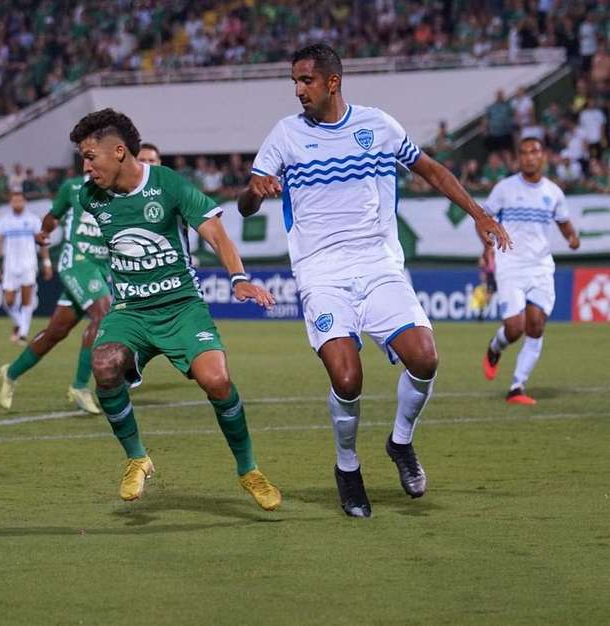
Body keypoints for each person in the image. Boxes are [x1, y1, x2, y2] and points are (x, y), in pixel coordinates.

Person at [239, 44, 511, 518]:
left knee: (425, 357)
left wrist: (479, 213)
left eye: (306, 81)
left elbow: (430, 169)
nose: (298, 90)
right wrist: (253, 192)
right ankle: (347, 467)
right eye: (294, 82)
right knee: (347, 376)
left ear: (332, 82)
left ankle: (400, 443)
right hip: (321, 274)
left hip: (380, 266)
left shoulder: (378, 126)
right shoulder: (285, 135)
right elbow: (246, 204)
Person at [71, 108, 282, 511]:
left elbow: (215, 232)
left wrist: (239, 279)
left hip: (181, 306)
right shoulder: (90, 196)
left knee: (218, 381)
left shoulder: (166, 184)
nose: (85, 166)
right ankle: (137, 458)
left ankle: (249, 470)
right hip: (131, 311)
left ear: (118, 152)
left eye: (89, 155)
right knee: (105, 365)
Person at [0, 171, 112, 415]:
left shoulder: (118, 189)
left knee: (56, 332)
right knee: (103, 313)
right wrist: (44, 232)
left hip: (101, 268)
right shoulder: (72, 188)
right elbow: (52, 217)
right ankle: (80, 386)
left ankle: (11, 372)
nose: (90, 162)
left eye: (93, 155)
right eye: (86, 156)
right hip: (77, 262)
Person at [481, 137, 580, 404]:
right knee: (515, 328)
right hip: (510, 264)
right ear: (518, 158)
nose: (529, 157)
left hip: (540, 266)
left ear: (543, 156)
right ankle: (495, 347)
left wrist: (573, 238)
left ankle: (517, 388)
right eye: (523, 153)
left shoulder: (553, 193)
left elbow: (565, 224)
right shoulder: (505, 188)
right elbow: (483, 219)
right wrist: (487, 247)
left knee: (535, 326)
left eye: (534, 152)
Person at [0, 191, 52, 344]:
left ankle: (23, 334)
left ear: (24, 202)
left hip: (28, 264)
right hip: (10, 266)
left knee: (26, 300)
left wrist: (46, 263)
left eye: (20, 200)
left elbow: (42, 243)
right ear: (10, 203)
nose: (17, 203)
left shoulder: (32, 220)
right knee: (9, 301)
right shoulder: (4, 221)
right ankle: (19, 324)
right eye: (14, 201)